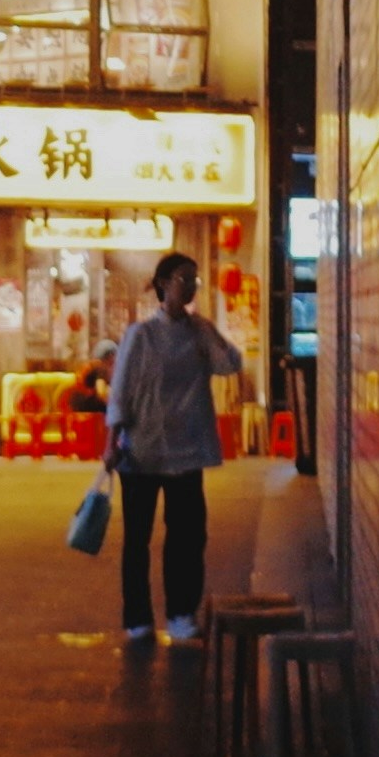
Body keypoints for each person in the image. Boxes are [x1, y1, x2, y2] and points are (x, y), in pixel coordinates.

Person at [103, 251, 242, 645]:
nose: (190, 286)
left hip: (187, 451)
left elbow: (230, 364)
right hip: (143, 452)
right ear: (163, 283)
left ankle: (182, 613)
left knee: (188, 536)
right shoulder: (140, 335)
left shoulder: (199, 332)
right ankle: (138, 617)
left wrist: (207, 330)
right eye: (184, 278)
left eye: (194, 280)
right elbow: (121, 392)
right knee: (138, 539)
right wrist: (111, 443)